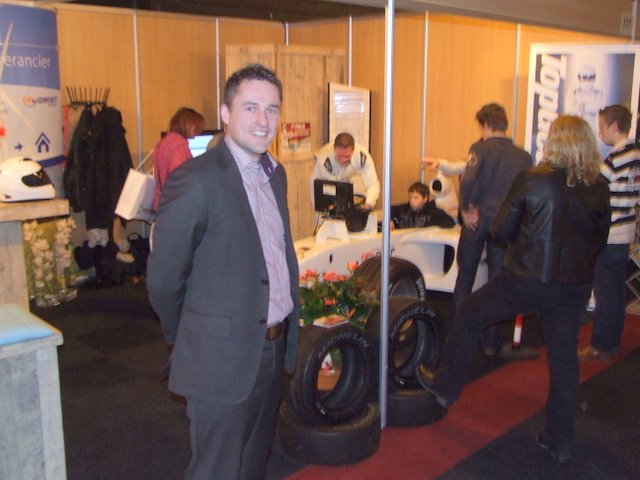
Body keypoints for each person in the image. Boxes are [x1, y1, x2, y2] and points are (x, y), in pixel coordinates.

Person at [416, 115, 611, 463]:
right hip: (574, 286)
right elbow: (600, 241)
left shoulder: (533, 179)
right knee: (564, 360)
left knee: (471, 312)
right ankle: (559, 442)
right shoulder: (599, 187)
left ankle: (446, 386)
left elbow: (501, 231)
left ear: (555, 142)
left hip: (527, 278)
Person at [146, 64, 299, 480]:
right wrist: (192, 336)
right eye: (251, 107)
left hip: (272, 349)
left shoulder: (276, 175)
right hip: (220, 360)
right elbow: (164, 280)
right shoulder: (195, 181)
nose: (263, 120)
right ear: (226, 113)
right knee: (217, 470)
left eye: (272, 109)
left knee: (253, 465)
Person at [424, 103, 532, 354]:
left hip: (477, 221)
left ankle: (458, 335)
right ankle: (492, 342)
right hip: (506, 224)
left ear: (485, 125)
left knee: (465, 278)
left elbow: (468, 180)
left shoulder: (479, 149)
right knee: (497, 281)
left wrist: (464, 210)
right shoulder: (524, 156)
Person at [579, 104, 640, 361]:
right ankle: (610, 342)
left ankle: (601, 345)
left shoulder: (615, 158)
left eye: (602, 126)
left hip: (610, 233)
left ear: (615, 126)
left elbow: (593, 191)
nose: (600, 132)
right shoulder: (635, 154)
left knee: (605, 293)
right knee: (614, 292)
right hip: (625, 230)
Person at [151, 107, 205, 211]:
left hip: (162, 202)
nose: (198, 132)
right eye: (197, 128)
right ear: (188, 125)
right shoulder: (180, 146)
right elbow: (179, 178)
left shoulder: (162, 143)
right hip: (176, 203)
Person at [311, 132, 380, 210]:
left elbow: (372, 183)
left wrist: (369, 204)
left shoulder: (362, 156)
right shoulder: (324, 160)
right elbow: (330, 188)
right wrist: (330, 207)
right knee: (323, 211)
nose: (343, 160)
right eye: (340, 156)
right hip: (322, 179)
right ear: (334, 149)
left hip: (345, 177)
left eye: (347, 156)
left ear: (353, 150)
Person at [390, 181, 455, 230]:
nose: (412, 201)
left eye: (416, 198)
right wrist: (390, 219)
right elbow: (390, 209)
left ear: (425, 199)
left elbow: (450, 223)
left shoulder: (433, 212)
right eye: (410, 197)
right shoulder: (405, 209)